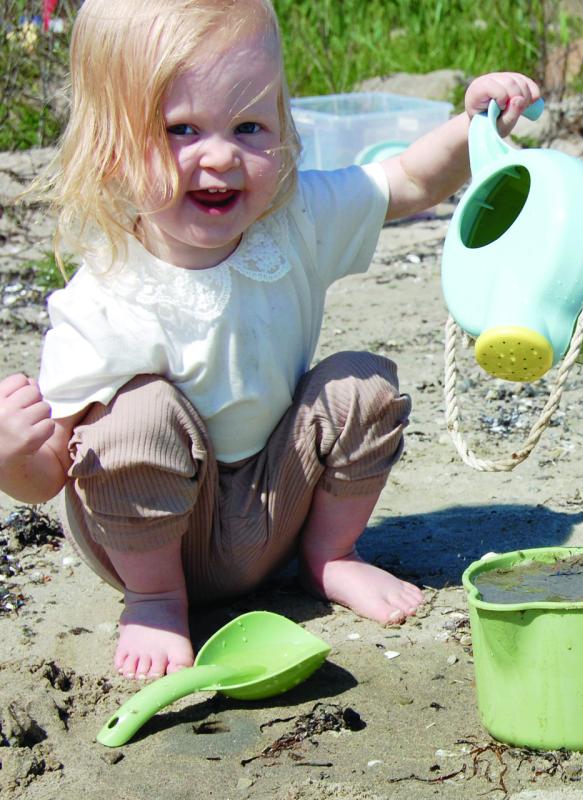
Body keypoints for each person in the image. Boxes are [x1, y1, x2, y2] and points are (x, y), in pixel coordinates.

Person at [0, 0, 540, 680]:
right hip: (153, 538)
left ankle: (330, 556)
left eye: (250, 126)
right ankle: (157, 603)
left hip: (275, 506)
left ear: (284, 129)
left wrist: (473, 124)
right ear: (111, 146)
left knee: (361, 386)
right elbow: (50, 474)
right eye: (180, 129)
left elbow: (407, 180)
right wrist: (11, 457)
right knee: (132, 419)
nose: (221, 155)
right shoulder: (105, 299)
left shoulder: (294, 220)